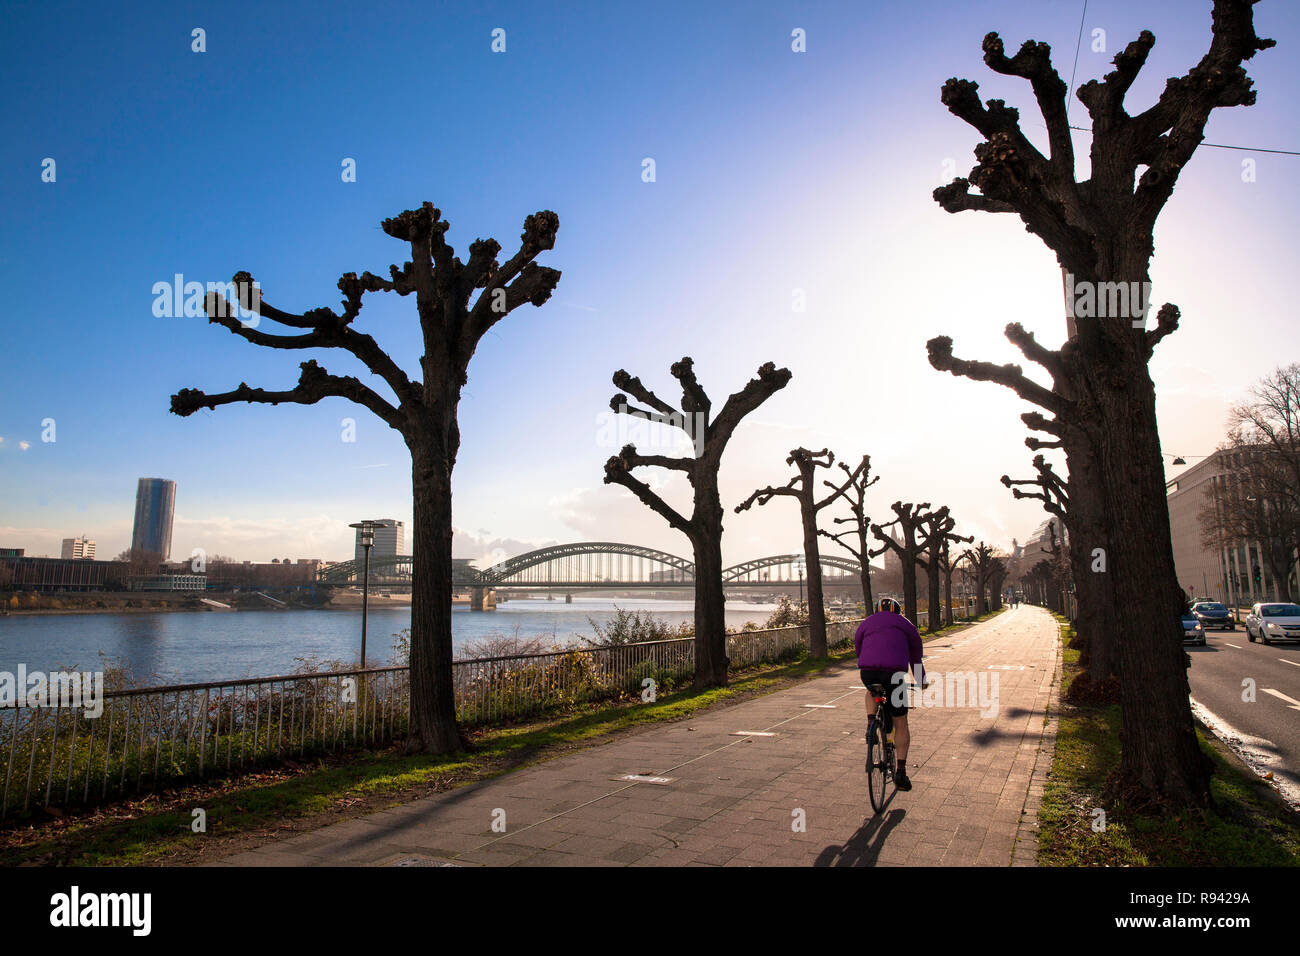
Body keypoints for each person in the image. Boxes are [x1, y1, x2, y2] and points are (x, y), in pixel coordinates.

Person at [854, 597, 926, 791]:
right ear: (898, 611)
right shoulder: (906, 625)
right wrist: (921, 681)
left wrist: (867, 659)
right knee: (900, 721)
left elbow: (858, 647)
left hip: (868, 672)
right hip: (894, 675)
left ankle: (871, 722)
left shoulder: (867, 622)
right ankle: (901, 772)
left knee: (872, 691)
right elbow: (915, 657)